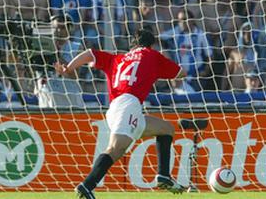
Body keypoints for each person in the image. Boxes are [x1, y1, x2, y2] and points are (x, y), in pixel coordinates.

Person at [54, 28, 186, 198]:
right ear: (151, 45)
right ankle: (87, 185)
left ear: (132, 45)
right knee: (116, 148)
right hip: (128, 105)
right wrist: (157, 71)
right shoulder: (153, 55)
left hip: (117, 107)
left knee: (166, 128)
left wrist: (68, 68)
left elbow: (89, 54)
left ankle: (163, 175)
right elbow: (181, 73)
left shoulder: (117, 58)